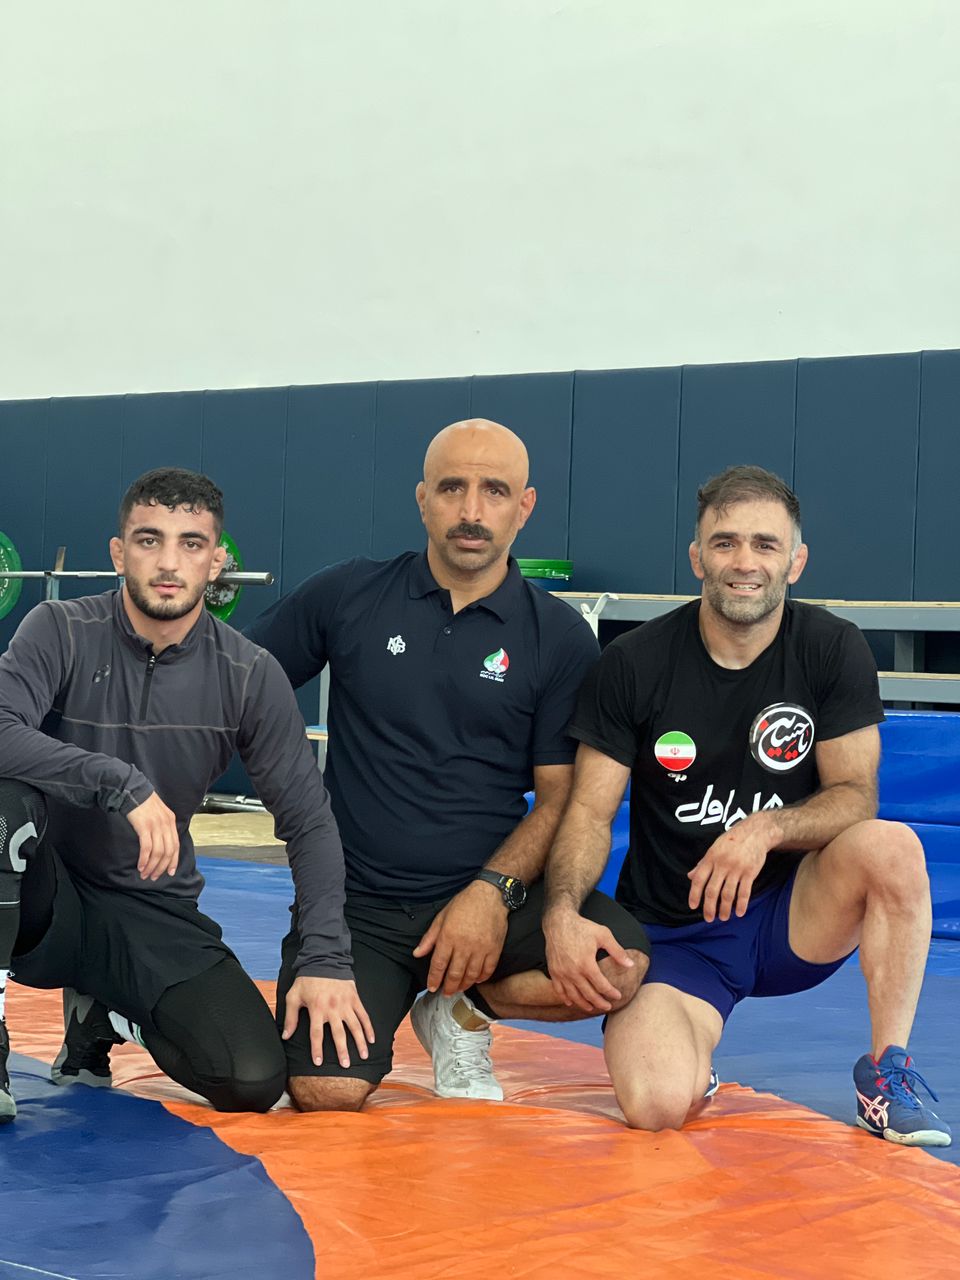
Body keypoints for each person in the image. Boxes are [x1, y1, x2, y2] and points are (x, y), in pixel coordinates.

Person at [245, 418, 650, 1110]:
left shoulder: (558, 636)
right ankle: (397, 993)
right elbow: (233, 684)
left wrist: (491, 894)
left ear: (524, 507)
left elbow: (559, 799)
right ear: (422, 499)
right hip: (359, 903)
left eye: (495, 491)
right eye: (452, 488)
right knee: (325, 1090)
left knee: (619, 966)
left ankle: (461, 1010)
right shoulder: (349, 595)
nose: (471, 510)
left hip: (490, 892)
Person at [543, 464, 951, 1147]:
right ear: (697, 557)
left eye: (765, 544)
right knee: (656, 1106)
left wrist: (764, 830)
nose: (744, 562)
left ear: (796, 561)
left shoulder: (831, 647)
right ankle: (687, 1060)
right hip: (678, 933)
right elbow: (587, 812)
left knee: (891, 846)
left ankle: (887, 1074)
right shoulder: (635, 662)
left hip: (791, 916)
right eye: (725, 542)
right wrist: (561, 913)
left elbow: (856, 796)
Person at [0, 468, 370, 1122]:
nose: (169, 563)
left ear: (216, 561)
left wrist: (325, 956)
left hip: (149, 906)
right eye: (150, 540)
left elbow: (309, 821)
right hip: (43, 898)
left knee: (250, 1078)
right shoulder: (59, 628)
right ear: (119, 553)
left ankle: (104, 1016)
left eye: (191, 544)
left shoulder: (248, 674)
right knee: (4, 804)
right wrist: (119, 783)